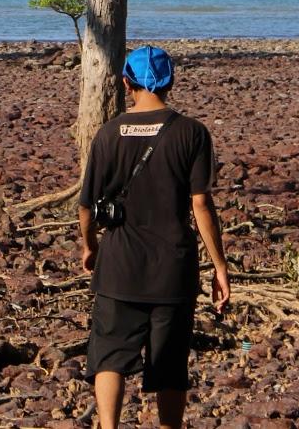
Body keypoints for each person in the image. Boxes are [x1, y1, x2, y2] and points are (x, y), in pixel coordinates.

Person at [78, 45, 231, 429]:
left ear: (126, 83)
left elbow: (86, 208)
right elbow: (201, 205)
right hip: (172, 270)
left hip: (119, 265)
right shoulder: (192, 133)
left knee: (110, 357)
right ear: (171, 82)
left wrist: (89, 246)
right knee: (169, 364)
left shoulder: (108, 133)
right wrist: (220, 267)